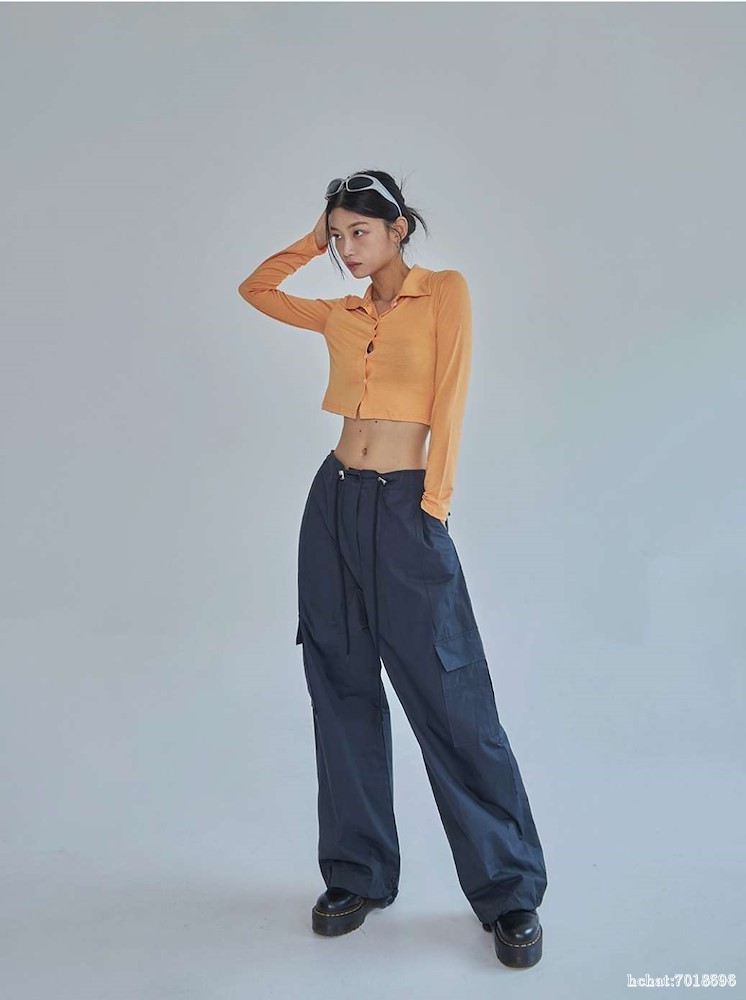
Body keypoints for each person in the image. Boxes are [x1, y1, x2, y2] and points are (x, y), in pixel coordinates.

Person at [237, 170, 547, 968]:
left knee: (450, 690)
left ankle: (508, 889)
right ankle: (358, 874)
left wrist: (433, 505)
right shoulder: (339, 311)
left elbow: (452, 393)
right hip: (334, 500)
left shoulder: (444, 292)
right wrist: (310, 238)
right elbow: (256, 289)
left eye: (359, 232)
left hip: (408, 506)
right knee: (339, 680)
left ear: (398, 227)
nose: (346, 249)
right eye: (338, 235)